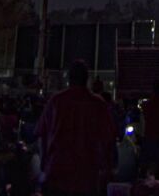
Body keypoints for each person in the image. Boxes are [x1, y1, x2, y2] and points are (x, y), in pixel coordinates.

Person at [36, 59, 116, 196]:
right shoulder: (98, 104)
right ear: (87, 79)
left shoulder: (56, 101)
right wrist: (107, 168)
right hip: (87, 176)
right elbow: (108, 140)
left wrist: (45, 164)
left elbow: (41, 133)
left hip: (57, 172)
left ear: (69, 78)